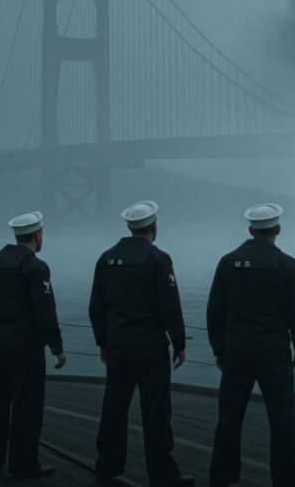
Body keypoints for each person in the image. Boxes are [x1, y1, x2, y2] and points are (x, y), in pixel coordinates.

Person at [89, 200, 194, 487]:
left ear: (129, 226)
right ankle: (163, 475)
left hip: (118, 345)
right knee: (156, 412)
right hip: (150, 347)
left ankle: (107, 470)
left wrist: (103, 341)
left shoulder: (106, 258)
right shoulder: (159, 259)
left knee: (113, 409)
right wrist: (180, 342)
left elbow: (96, 306)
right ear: (154, 226)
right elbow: (169, 306)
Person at [207, 203, 295, 487]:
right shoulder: (287, 264)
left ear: (250, 230)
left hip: (236, 350)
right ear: (277, 229)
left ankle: (222, 479)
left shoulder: (228, 262)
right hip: (274, 351)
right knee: (282, 421)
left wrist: (219, 350)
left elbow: (214, 311)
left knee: (229, 418)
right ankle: (288, 482)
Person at [0, 211, 67, 478]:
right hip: (25, 347)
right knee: (27, 406)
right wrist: (57, 347)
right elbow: (45, 313)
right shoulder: (35, 267)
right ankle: (24, 463)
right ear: (37, 236)